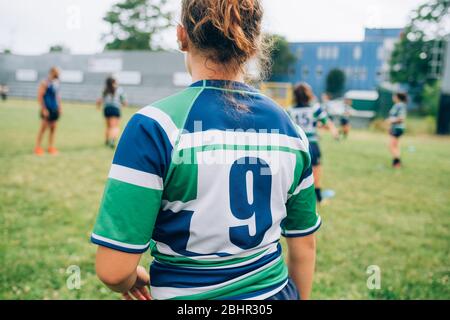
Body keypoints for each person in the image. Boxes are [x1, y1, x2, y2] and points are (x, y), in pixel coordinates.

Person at [91, 0, 321, 301]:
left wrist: (131, 278)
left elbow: (114, 271)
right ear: (253, 44)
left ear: (181, 36)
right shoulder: (291, 130)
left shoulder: (154, 126)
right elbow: (304, 245)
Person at [289, 83, 338, 204]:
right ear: (308, 94)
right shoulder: (314, 108)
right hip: (312, 145)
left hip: (296, 146)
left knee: (296, 175)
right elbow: (327, 123)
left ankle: (294, 200)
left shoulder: (290, 110)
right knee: (316, 174)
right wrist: (334, 132)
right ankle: (319, 199)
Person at [34, 67, 62, 155]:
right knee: (43, 129)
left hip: (54, 109)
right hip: (47, 109)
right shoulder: (45, 82)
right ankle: (37, 147)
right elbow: (40, 96)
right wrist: (44, 109)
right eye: (57, 73)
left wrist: (60, 107)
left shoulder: (56, 83)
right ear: (52, 72)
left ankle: (50, 147)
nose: (58, 74)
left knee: (53, 129)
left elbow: (57, 96)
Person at [97, 77, 127, 148]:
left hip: (106, 109)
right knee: (115, 127)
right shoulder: (119, 90)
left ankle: (107, 140)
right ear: (114, 82)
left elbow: (99, 100)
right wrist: (123, 104)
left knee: (108, 126)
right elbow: (124, 101)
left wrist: (98, 107)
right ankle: (113, 140)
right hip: (115, 109)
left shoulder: (105, 90)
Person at [388, 92, 408, 169]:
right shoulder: (399, 105)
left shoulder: (400, 105)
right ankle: (397, 163)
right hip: (395, 128)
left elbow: (401, 118)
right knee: (395, 146)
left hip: (397, 128)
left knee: (391, 146)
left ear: (397, 97)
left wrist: (391, 121)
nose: (393, 97)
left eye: (394, 96)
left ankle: (397, 163)